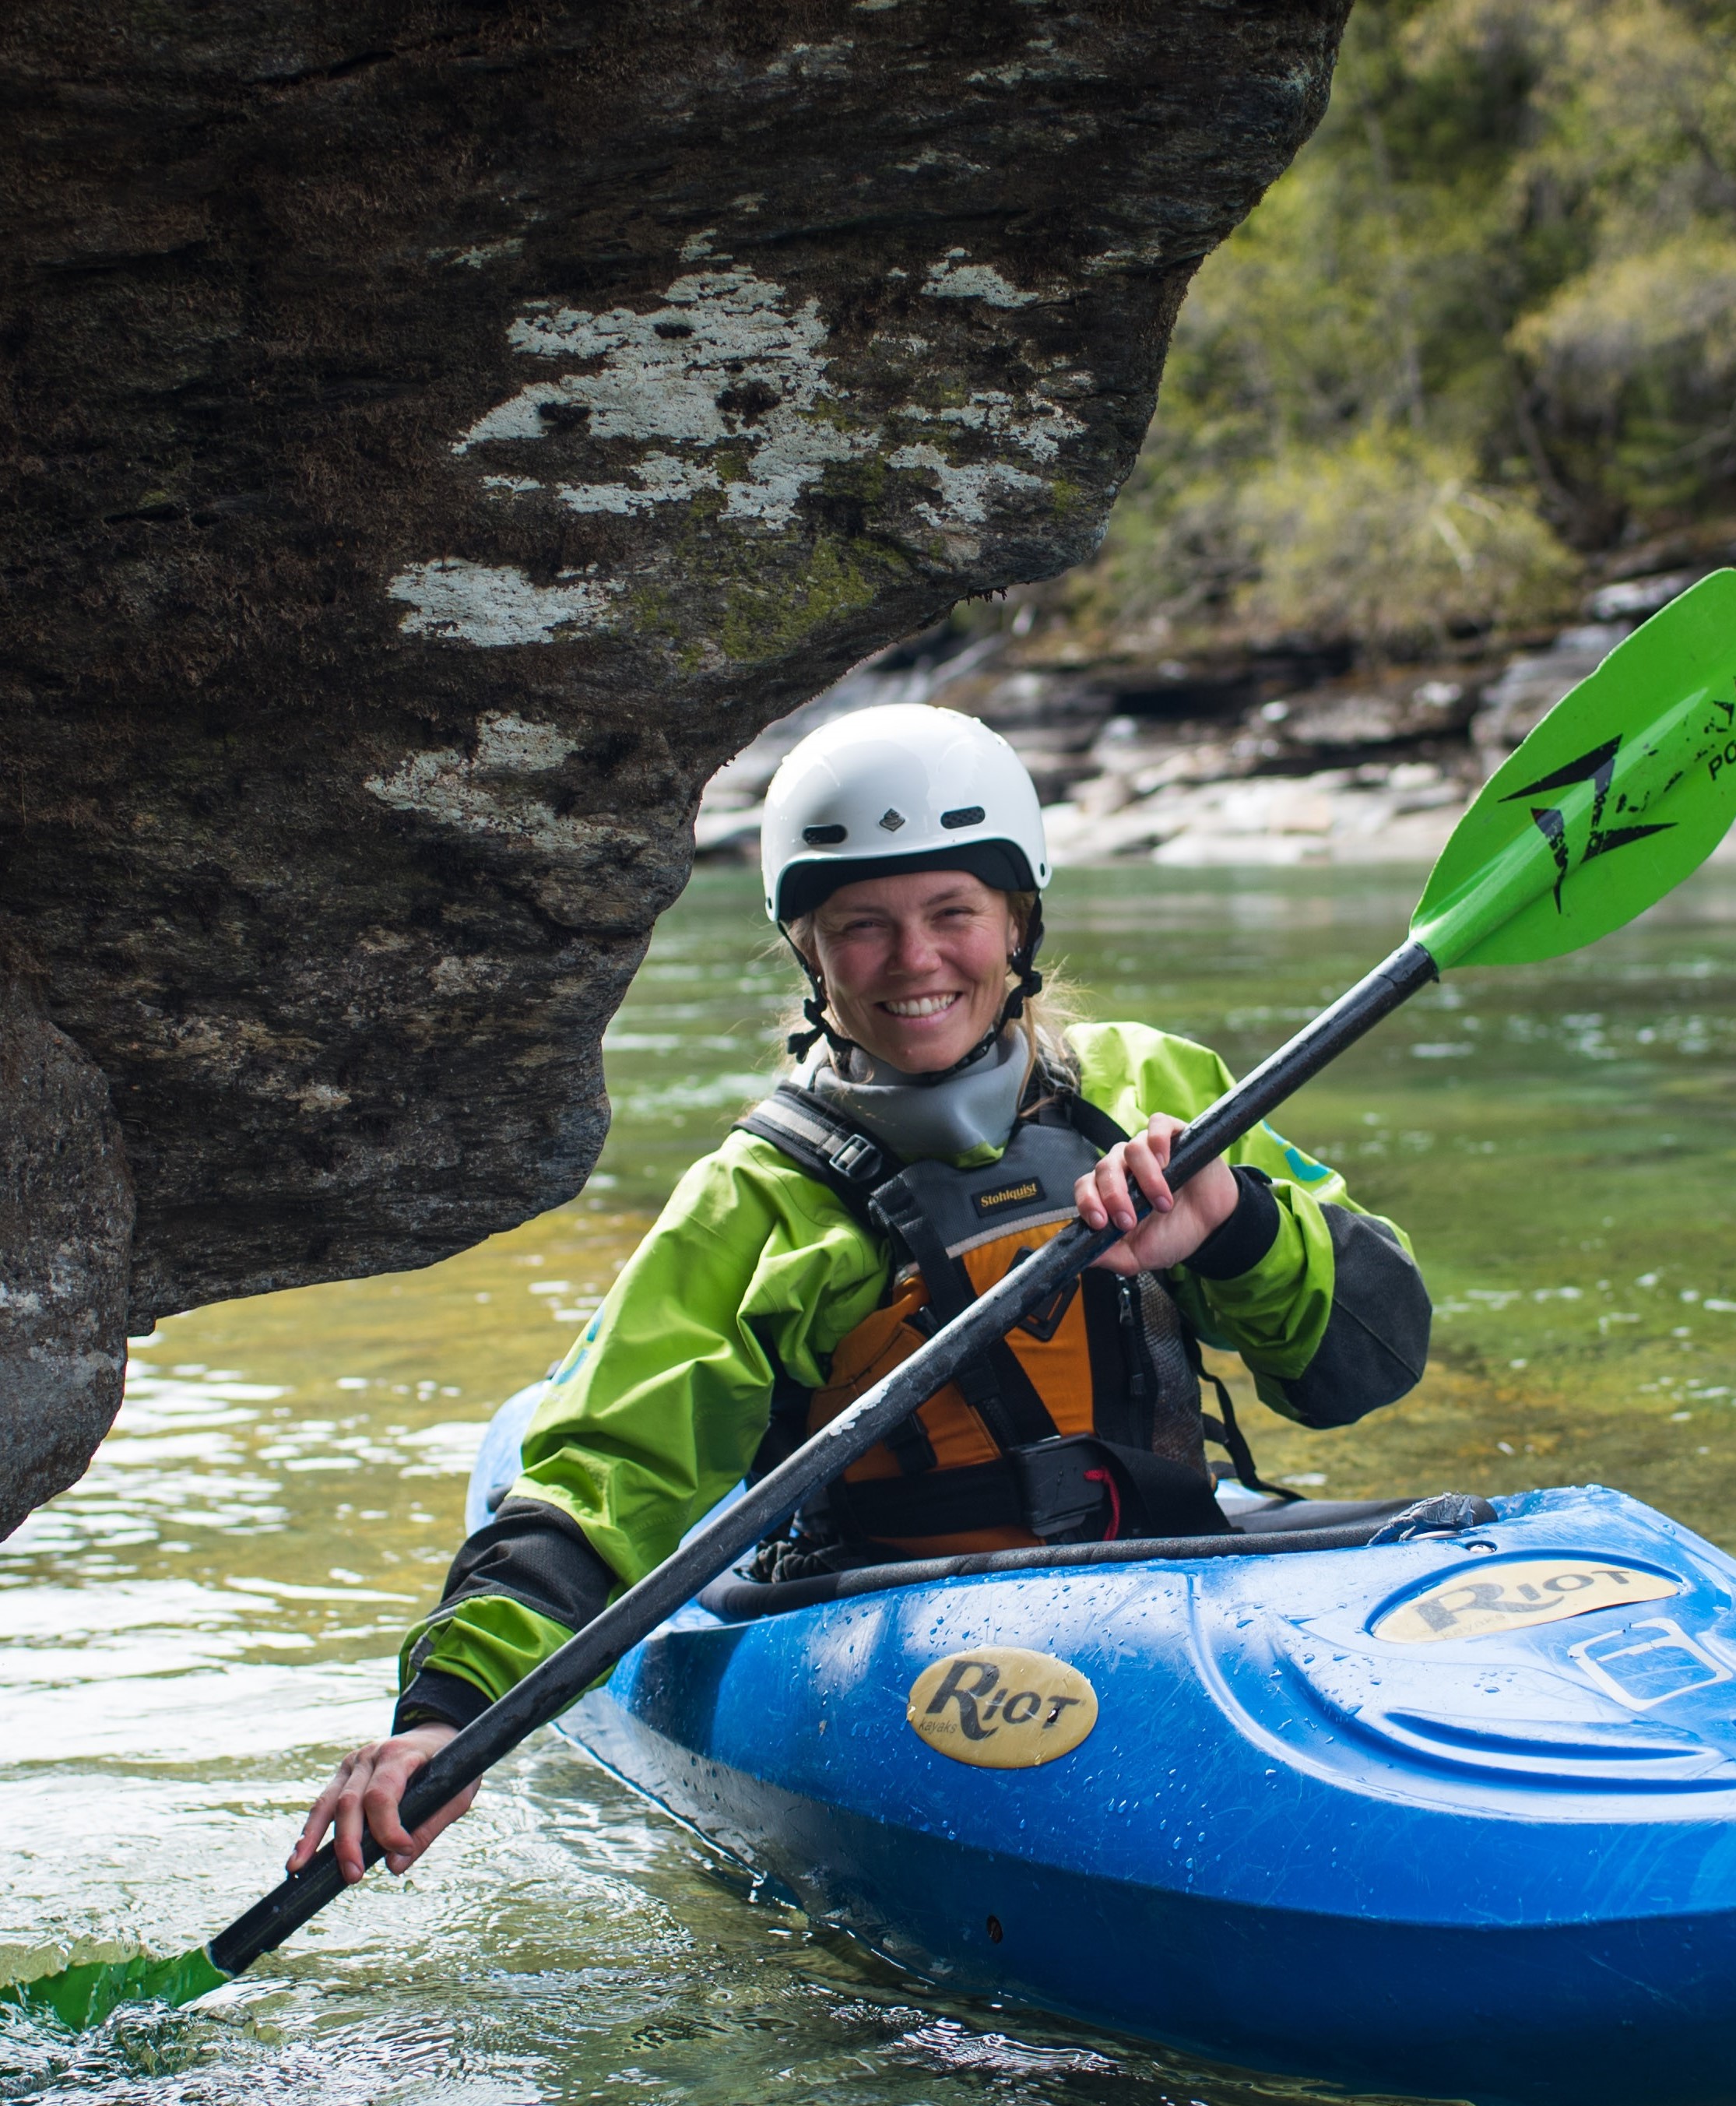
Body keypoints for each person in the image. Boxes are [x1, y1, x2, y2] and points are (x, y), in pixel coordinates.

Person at [290, 704, 1431, 1887]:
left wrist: (1236, 1224)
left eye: (954, 915)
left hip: (1176, 1583)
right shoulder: (757, 1199)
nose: (917, 960)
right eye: (863, 928)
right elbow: (609, 1476)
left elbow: (1369, 1363)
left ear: (1018, 923)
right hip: (908, 1625)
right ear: (810, 951)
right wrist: (445, 1712)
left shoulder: (1160, 1091)